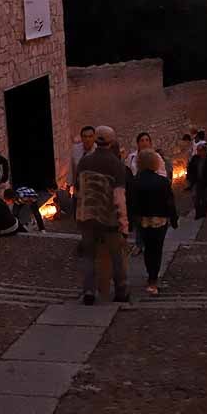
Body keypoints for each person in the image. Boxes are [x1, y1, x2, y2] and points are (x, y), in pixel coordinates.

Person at [75, 125, 130, 305]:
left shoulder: (84, 162)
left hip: (87, 216)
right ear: (111, 141)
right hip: (109, 218)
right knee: (116, 256)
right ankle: (121, 291)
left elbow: (78, 189)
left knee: (89, 255)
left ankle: (89, 292)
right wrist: (124, 224)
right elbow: (119, 197)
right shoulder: (116, 165)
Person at [131, 149, 179, 295]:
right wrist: (174, 219)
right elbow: (169, 202)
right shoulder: (163, 181)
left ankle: (150, 274)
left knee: (147, 248)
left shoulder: (135, 181)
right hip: (160, 219)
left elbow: (133, 201)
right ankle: (153, 278)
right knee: (157, 249)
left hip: (143, 219)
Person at [186, 141, 207, 219]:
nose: (199, 152)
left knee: (204, 199)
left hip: (206, 183)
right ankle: (198, 213)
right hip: (196, 182)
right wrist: (190, 179)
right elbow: (190, 169)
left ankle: (203, 213)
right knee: (196, 198)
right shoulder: (195, 159)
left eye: (200, 150)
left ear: (204, 151)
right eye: (198, 150)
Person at [69, 125, 97, 194]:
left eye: (90, 136)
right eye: (85, 136)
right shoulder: (75, 149)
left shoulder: (98, 152)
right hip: (78, 189)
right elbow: (72, 168)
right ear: (81, 138)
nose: (87, 139)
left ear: (94, 137)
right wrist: (70, 185)